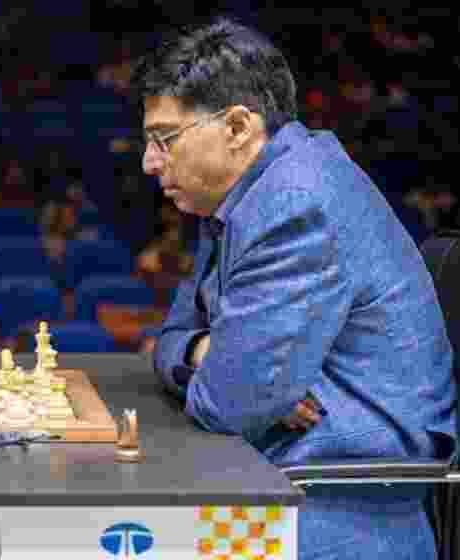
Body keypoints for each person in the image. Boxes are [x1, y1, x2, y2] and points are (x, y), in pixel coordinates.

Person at [139, 19, 456, 559]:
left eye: (164, 139)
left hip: (334, 509)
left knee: (115, 542)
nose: (149, 162)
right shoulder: (246, 198)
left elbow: (228, 404)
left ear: (238, 127)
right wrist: (201, 349)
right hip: (288, 478)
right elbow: (170, 338)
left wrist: (223, 369)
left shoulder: (293, 203)